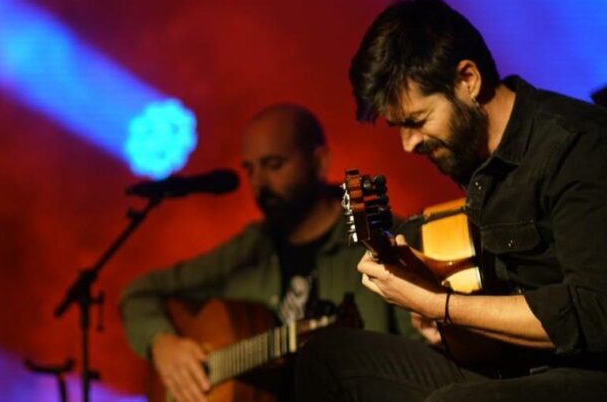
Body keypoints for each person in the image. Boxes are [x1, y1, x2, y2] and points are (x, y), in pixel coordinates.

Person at [294, 0, 607, 401]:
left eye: (417, 122)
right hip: (512, 369)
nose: (408, 144)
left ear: (468, 80)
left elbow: (598, 314)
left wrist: (442, 304)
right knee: (326, 358)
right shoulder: (472, 156)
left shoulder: (576, 144)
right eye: (398, 127)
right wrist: (437, 300)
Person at [119, 104, 415, 402]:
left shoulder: (381, 239)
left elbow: (426, 362)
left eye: (274, 165)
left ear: (319, 161)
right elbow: (139, 294)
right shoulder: (251, 247)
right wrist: (163, 343)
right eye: (250, 169)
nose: (259, 184)